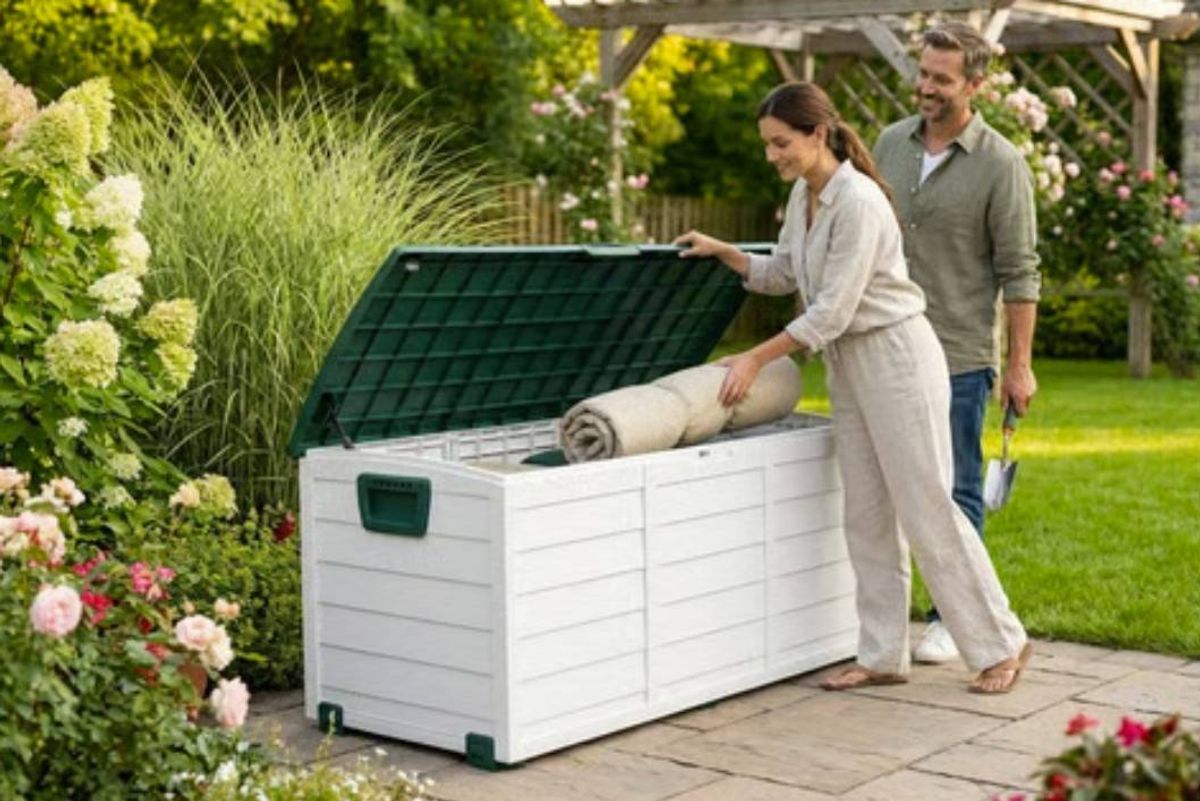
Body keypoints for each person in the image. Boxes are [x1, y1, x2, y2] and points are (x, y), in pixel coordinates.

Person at [674, 81, 1030, 693]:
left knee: (928, 510)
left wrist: (755, 359)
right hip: (850, 365)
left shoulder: (860, 202)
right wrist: (725, 253)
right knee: (866, 514)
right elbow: (785, 273)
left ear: (818, 133)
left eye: (780, 143)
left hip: (897, 358)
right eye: (766, 145)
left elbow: (831, 311)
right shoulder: (803, 196)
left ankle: (1001, 641)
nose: (772, 156)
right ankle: (882, 654)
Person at [873, 21, 1041, 665]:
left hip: (959, 353)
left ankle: (952, 617)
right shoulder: (889, 145)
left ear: (976, 84)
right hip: (886, 346)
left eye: (942, 79)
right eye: (923, 74)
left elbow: (1020, 271)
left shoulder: (1001, 165)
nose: (926, 88)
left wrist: (1019, 366)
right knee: (887, 487)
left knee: (955, 487)